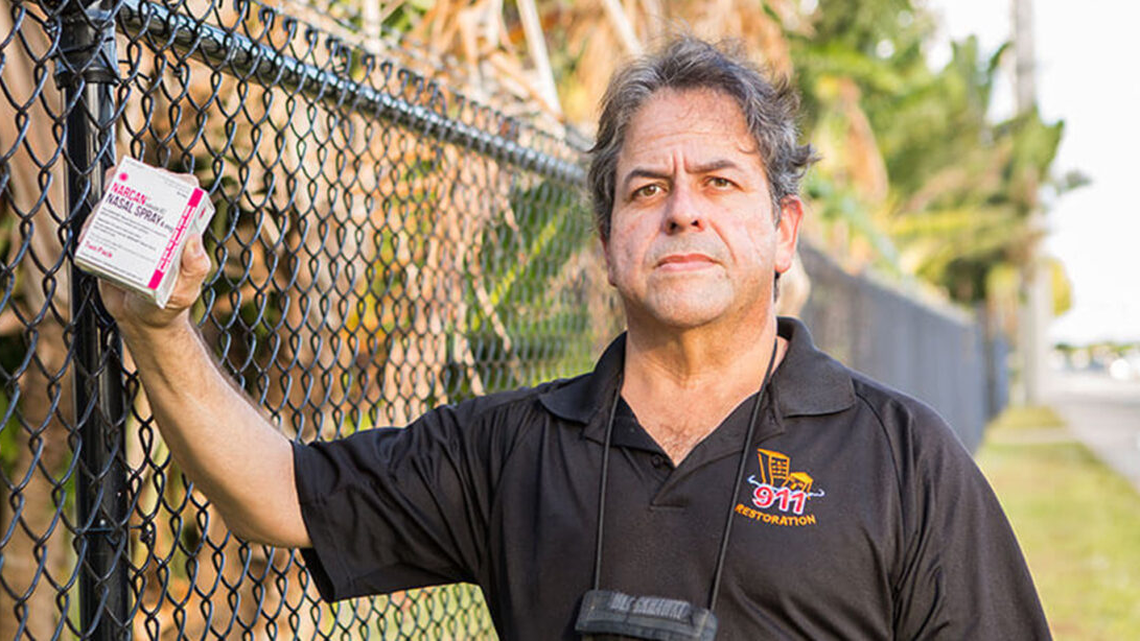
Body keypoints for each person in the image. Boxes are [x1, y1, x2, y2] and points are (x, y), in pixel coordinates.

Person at [102, 36, 1051, 640]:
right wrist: (159, 326)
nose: (682, 213)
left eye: (719, 183)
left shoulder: (903, 456)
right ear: (606, 245)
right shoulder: (513, 448)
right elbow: (278, 494)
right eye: (647, 188)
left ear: (783, 232)